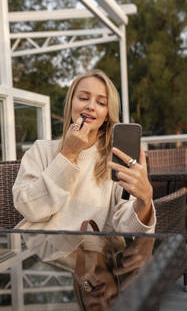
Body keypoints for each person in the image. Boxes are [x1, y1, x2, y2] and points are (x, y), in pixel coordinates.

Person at [13, 69, 156, 262]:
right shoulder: (41, 150)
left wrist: (144, 201)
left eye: (101, 102)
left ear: (106, 114)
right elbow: (29, 208)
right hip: (38, 259)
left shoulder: (115, 160)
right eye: (83, 98)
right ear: (71, 103)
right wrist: (68, 154)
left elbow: (128, 228)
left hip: (94, 261)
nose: (90, 106)